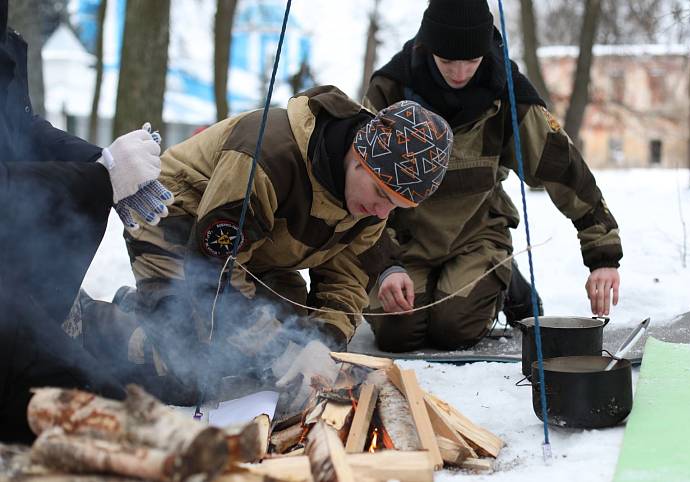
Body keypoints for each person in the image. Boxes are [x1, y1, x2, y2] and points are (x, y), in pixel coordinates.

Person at [80, 85, 452, 405]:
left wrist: (321, 344)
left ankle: (143, 306)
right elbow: (213, 275)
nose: (382, 211)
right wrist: (283, 350)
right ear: (357, 156)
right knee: (188, 371)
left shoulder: (374, 198)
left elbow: (346, 280)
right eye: (380, 194)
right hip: (176, 226)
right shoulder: (266, 157)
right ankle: (87, 319)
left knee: (272, 364)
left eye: (396, 206)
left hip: (254, 255)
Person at [362, 0, 623, 352]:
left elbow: (563, 168)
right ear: (427, 46)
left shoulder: (509, 93)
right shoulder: (389, 89)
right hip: (405, 240)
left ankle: (504, 281)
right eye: (448, 61)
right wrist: (383, 265)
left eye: (471, 60)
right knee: (398, 333)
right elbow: (359, 185)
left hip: (476, 234)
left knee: (453, 328)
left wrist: (602, 255)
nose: (460, 73)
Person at [0, 0, 173, 443]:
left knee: (164, 368)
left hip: (25, 289)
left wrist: (98, 159)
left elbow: (21, 128)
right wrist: (101, 179)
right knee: (103, 416)